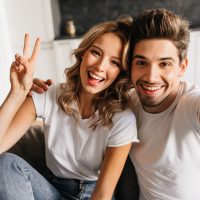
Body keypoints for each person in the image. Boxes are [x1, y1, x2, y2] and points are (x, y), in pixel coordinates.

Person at [0, 17, 138, 200]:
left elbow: (103, 194)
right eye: (96, 53)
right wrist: (17, 92)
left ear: (121, 73)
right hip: (50, 190)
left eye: (114, 62)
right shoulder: (49, 95)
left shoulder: (123, 119)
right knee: (6, 163)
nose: (100, 66)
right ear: (83, 53)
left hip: (93, 195)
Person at [127, 8, 200, 200]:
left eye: (165, 64)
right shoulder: (126, 104)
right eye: (141, 63)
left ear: (182, 67)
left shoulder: (191, 103)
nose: (151, 77)